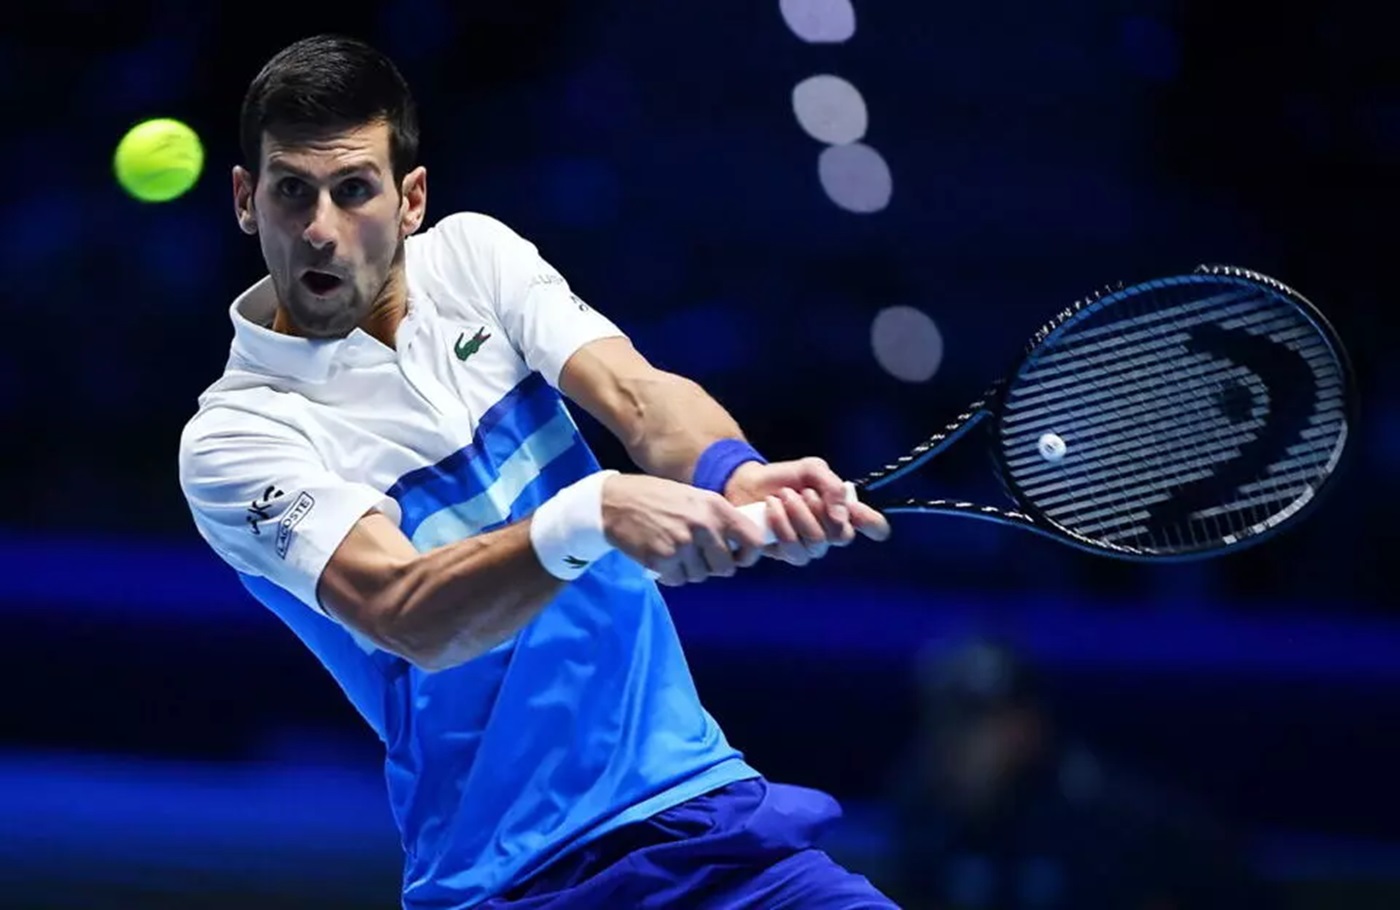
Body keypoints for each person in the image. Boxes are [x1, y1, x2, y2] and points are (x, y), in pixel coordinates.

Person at [177, 33, 896, 910]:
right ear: (246, 200)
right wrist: (589, 513)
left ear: (411, 200)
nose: (320, 229)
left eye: (354, 189)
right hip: (511, 879)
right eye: (292, 190)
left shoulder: (474, 260)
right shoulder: (238, 437)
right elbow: (406, 611)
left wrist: (731, 472)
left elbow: (637, 396)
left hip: (706, 821)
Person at [882, 638, 1273, 910]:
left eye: (978, 726)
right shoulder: (922, 809)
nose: (954, 744)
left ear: (1028, 725)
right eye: (946, 723)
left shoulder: (1115, 818)